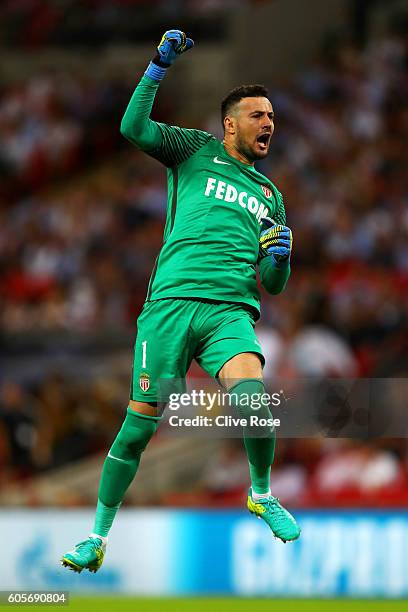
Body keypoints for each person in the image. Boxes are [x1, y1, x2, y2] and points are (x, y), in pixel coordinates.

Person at [62, 29, 300, 574]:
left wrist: (281, 258)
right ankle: (96, 538)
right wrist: (157, 68)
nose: (269, 123)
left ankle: (261, 493)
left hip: (228, 312)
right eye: (257, 114)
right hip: (169, 305)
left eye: (272, 116)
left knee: (254, 403)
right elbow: (132, 128)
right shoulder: (195, 150)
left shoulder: (271, 197)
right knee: (138, 428)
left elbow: (274, 283)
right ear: (230, 123)